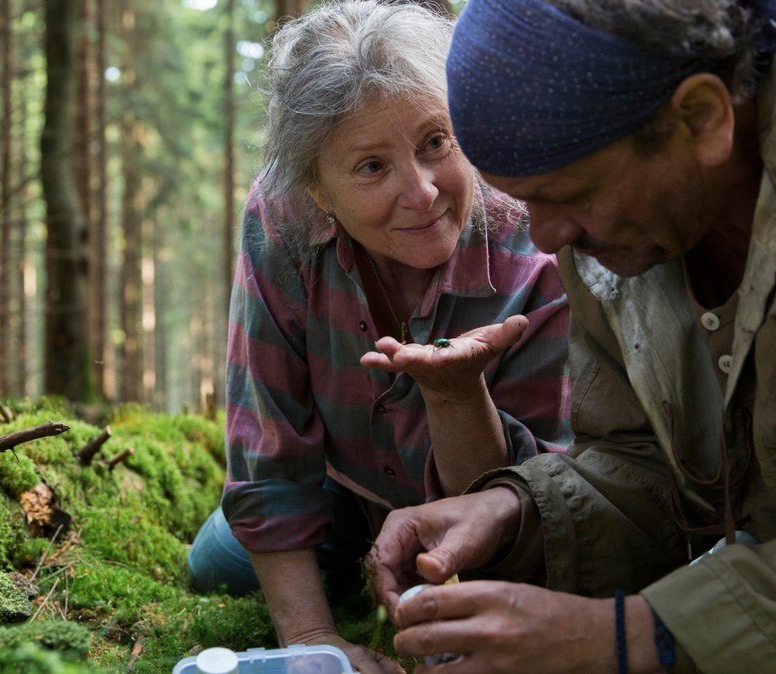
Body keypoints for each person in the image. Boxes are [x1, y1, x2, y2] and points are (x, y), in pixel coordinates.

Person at [367, 0, 776, 672]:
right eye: (525, 202)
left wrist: (634, 637)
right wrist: (514, 511)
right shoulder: (625, 223)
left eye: (567, 193)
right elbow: (646, 461)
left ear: (700, 118)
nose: (548, 236)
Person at [186, 2, 574, 671]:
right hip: (345, 491)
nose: (420, 192)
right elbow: (268, 443)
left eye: (435, 143)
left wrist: (456, 395)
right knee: (218, 563)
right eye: (372, 166)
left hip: (489, 515)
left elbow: (538, 494)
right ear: (318, 191)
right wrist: (311, 641)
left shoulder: (533, 236)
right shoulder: (281, 218)